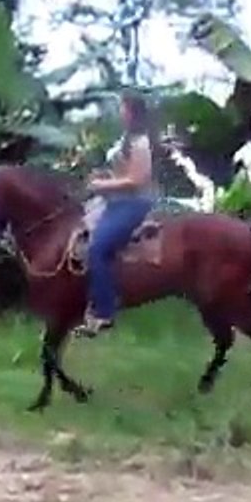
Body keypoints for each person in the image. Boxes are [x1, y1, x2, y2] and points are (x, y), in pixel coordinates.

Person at [74, 90, 157, 338]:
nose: (119, 111)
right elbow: (123, 173)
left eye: (122, 107)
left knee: (98, 248)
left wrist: (102, 186)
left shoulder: (140, 142)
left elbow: (138, 179)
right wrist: (104, 178)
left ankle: (104, 312)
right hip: (114, 202)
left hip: (133, 204)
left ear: (132, 111)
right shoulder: (126, 138)